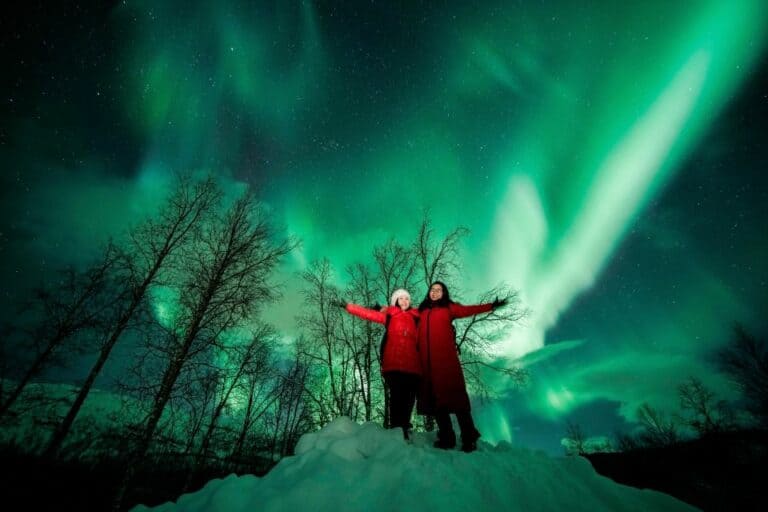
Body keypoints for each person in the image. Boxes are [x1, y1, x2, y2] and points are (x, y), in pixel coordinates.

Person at [416, 281, 507, 452]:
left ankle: (469, 438)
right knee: (437, 403)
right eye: (432, 290)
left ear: (444, 293)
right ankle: (447, 438)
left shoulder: (449, 308)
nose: (435, 292)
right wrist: (383, 310)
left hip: (446, 363)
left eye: (439, 290)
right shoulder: (421, 311)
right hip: (428, 366)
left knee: (457, 401)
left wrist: (491, 305)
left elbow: (468, 310)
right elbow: (401, 313)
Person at [335, 289, 421, 439]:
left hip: (413, 366)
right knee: (396, 398)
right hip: (394, 365)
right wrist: (348, 306)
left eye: (406, 298)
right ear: (395, 302)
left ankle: (405, 427)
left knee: (409, 399)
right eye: (400, 299)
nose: (404, 301)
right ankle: (397, 431)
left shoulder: (416, 318)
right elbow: (367, 313)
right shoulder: (389, 316)